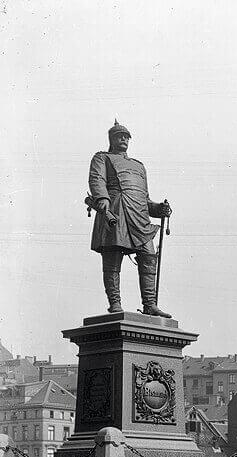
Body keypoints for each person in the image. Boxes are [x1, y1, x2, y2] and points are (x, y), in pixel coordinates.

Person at [87, 120, 174, 317]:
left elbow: (145, 199)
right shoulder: (102, 158)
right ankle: (115, 303)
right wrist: (102, 198)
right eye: (120, 136)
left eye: (126, 136)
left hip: (139, 217)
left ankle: (149, 304)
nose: (124, 139)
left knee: (149, 257)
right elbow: (97, 179)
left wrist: (159, 209)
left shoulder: (139, 166)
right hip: (116, 210)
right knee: (112, 259)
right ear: (112, 139)